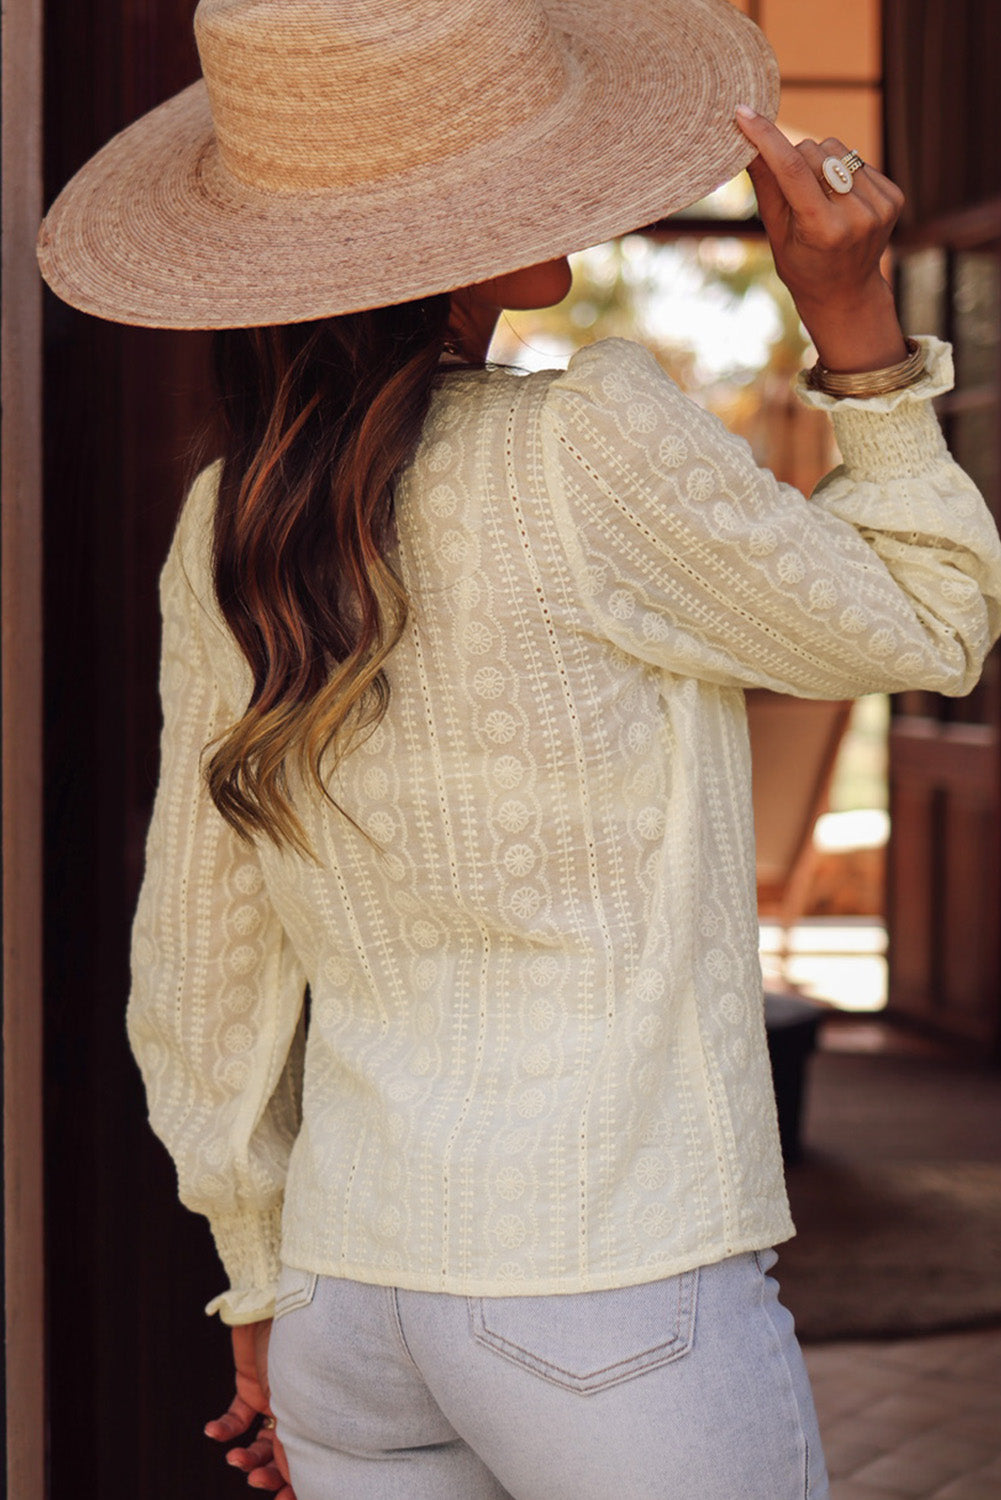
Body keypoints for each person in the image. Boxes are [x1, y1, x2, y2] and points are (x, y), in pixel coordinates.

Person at [38, 2, 1001, 1497]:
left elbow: (201, 961)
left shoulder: (229, 519)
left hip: (345, 1294)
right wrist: (856, 327)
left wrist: (256, 1286)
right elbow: (927, 628)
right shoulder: (583, 446)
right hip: (602, 1278)